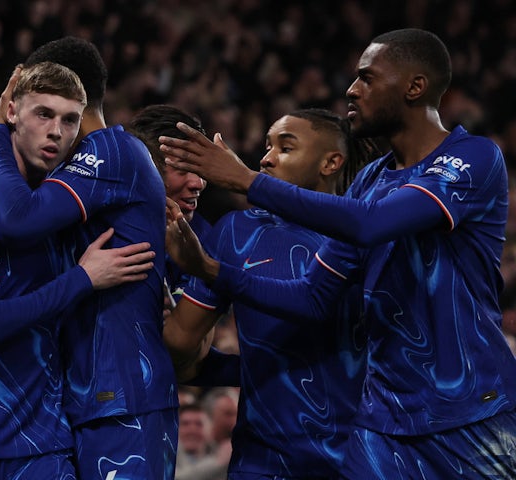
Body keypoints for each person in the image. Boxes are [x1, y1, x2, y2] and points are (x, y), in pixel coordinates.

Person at [160, 28, 516, 478]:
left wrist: (247, 181)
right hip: (383, 424)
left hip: (472, 409)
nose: (352, 89)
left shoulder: (472, 157)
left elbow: (372, 224)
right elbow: (311, 297)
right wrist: (210, 270)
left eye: (367, 78)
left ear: (414, 87)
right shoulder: (369, 180)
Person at [0, 61, 156, 479]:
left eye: (70, 120)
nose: (57, 131)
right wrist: (84, 278)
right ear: (12, 114)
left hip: (44, 440)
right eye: (44, 114)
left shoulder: (63, 206)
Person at [0, 37, 178, 479]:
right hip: (84, 396)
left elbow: (16, 218)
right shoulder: (73, 169)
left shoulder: (111, 151)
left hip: (123, 394)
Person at [163, 109, 374, 478]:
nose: (266, 158)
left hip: (335, 457)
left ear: (331, 162)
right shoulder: (235, 229)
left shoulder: (365, 233)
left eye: (285, 147)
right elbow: (181, 344)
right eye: (266, 146)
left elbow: (182, 349)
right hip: (289, 458)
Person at [128, 104, 211, 305]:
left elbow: (202, 337)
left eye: (200, 168)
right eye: (182, 169)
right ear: (147, 168)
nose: (198, 183)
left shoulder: (203, 238)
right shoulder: (101, 224)